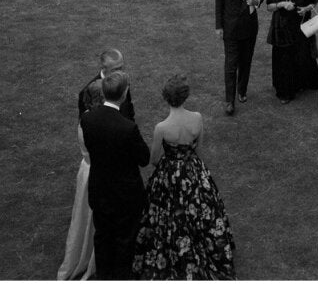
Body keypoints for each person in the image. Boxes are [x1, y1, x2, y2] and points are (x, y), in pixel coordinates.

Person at [132, 75, 236, 280]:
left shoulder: (161, 128)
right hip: (193, 171)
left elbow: (153, 159)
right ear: (185, 96)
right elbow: (200, 147)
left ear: (166, 98)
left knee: (165, 215)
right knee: (201, 211)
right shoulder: (197, 118)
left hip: (169, 176)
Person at [81, 70, 150, 280]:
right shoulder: (127, 128)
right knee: (125, 241)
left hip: (100, 189)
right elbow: (144, 158)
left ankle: (103, 277)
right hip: (125, 195)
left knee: (102, 236)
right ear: (123, 94)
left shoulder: (88, 120)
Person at [56, 79, 101, 280]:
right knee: (90, 214)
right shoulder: (94, 123)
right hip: (96, 171)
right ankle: (91, 256)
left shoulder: (85, 119)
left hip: (87, 169)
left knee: (84, 214)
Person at [264, 0, 318, 104]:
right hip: (282, 30)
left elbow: (314, 1)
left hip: (301, 29)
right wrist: (282, 4)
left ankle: (302, 84)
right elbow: (269, 6)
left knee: (301, 56)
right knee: (284, 60)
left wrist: (305, 9)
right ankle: (285, 92)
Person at [214, 0, 264, 115]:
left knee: (246, 62)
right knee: (230, 65)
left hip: (250, 28)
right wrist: (219, 26)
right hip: (230, 29)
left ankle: (242, 91)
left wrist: (257, 1)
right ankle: (230, 100)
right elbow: (219, 3)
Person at [77, 47, 134, 122]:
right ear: (103, 68)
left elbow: (128, 107)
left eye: (121, 68)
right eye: (116, 69)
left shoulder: (123, 80)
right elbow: (85, 121)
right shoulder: (88, 91)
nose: (120, 73)